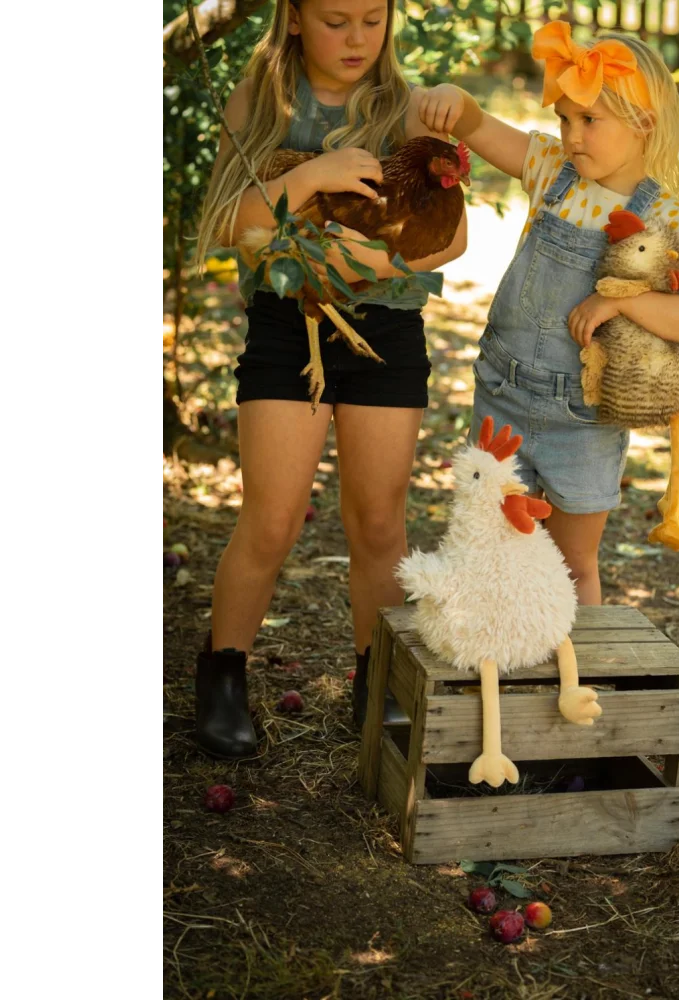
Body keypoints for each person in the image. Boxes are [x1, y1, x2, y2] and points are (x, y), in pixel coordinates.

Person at [191, 0, 467, 758]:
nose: (356, 39)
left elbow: (452, 235)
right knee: (272, 520)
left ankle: (376, 684)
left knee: (379, 523)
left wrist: (380, 262)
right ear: (293, 20)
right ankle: (222, 676)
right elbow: (230, 223)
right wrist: (316, 171)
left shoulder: (407, 107)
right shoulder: (262, 101)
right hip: (289, 327)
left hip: (385, 330)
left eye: (371, 21)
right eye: (336, 20)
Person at [416, 20, 679, 607]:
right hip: (501, 396)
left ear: (644, 126)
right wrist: (458, 104)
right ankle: (493, 674)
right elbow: (481, 127)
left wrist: (619, 297)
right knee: (489, 550)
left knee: (573, 564)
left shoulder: (669, 221)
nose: (571, 135)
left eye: (588, 120)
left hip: (584, 421)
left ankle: (573, 680)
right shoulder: (550, 170)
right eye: (564, 118)